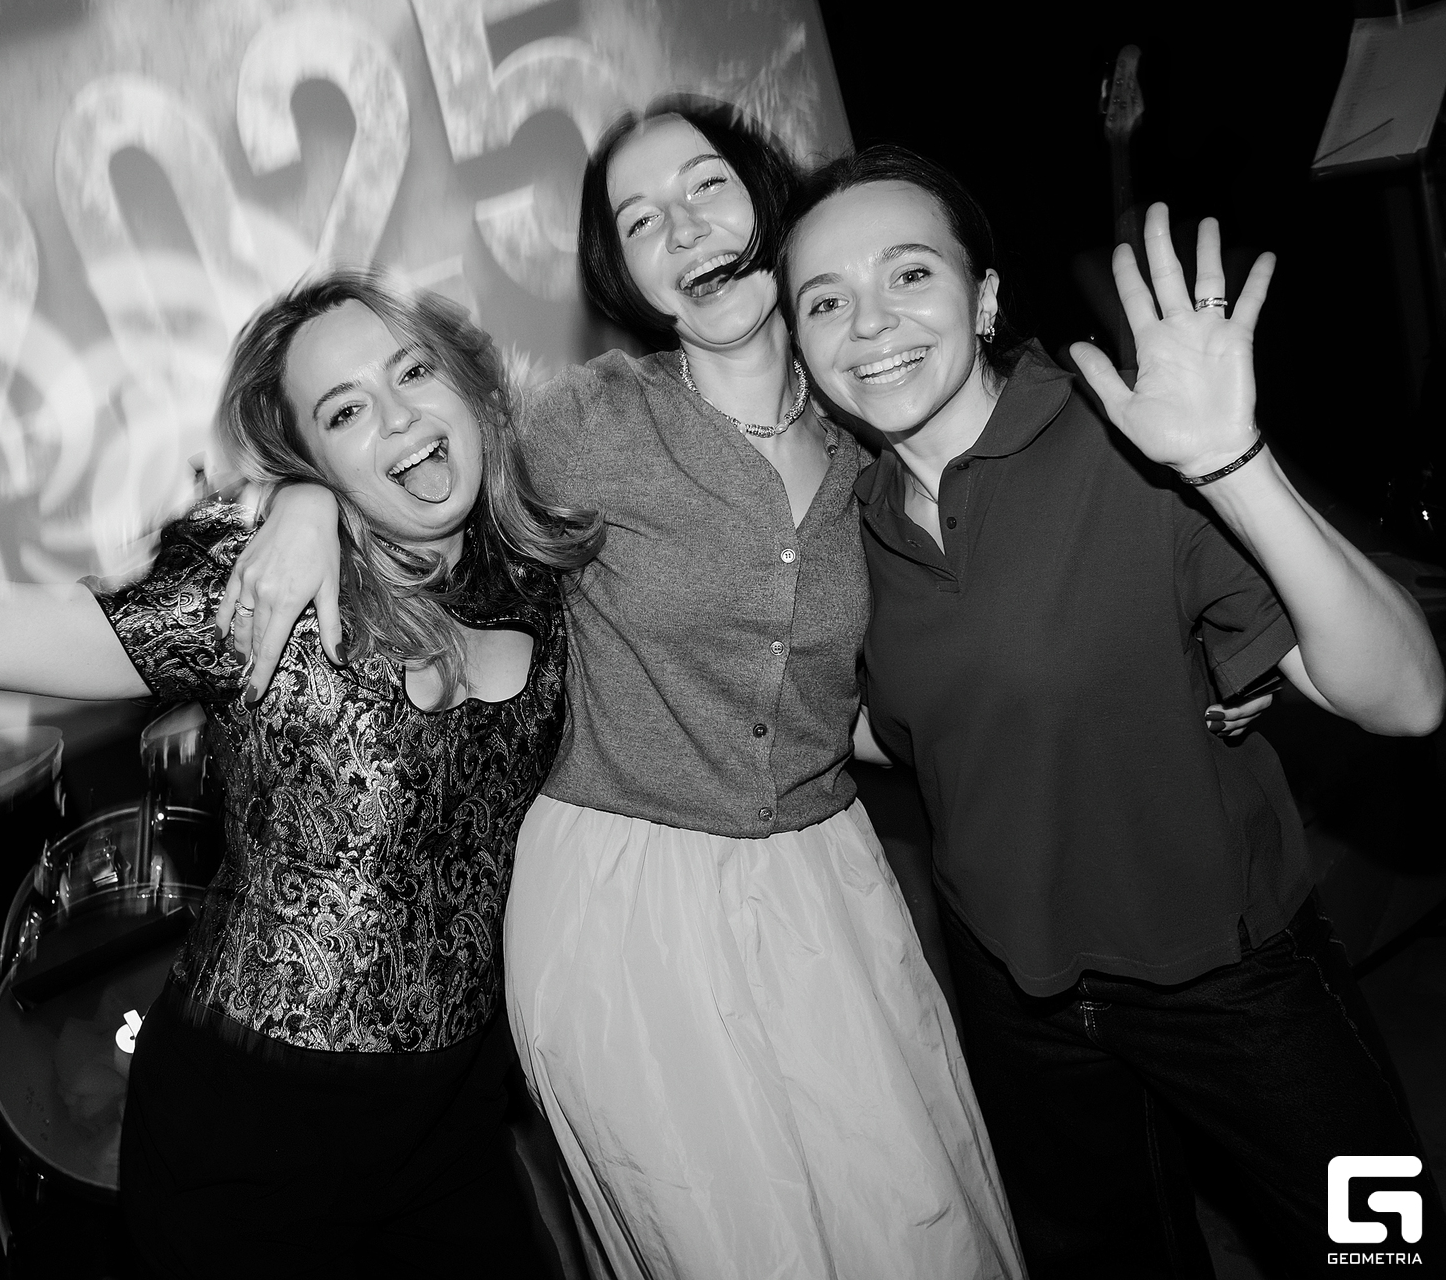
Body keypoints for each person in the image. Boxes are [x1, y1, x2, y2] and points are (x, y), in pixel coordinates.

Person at [223, 98, 1027, 1280]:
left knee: (912, 1219)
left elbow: (861, 691)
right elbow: (422, 468)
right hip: (628, 898)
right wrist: (303, 500)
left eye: (706, 187)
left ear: (767, 196)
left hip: (823, 883)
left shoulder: (873, 427)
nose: (685, 229)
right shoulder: (592, 420)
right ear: (629, 275)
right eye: (642, 221)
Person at [0, 181, 605, 1277]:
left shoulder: (538, 574)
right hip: (254, 1133)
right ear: (310, 459)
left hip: (457, 1118)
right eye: (344, 411)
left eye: (411, 372)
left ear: (466, 385)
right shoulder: (257, 597)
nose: (396, 418)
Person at [777, 145, 1446, 1277]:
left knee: (1381, 1250)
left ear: (986, 297)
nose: (871, 321)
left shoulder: (1125, 440)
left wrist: (1232, 463)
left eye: (910, 273)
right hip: (1017, 994)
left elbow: (1409, 698)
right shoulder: (853, 527)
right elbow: (903, 729)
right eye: (826, 300)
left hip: (1230, 975)